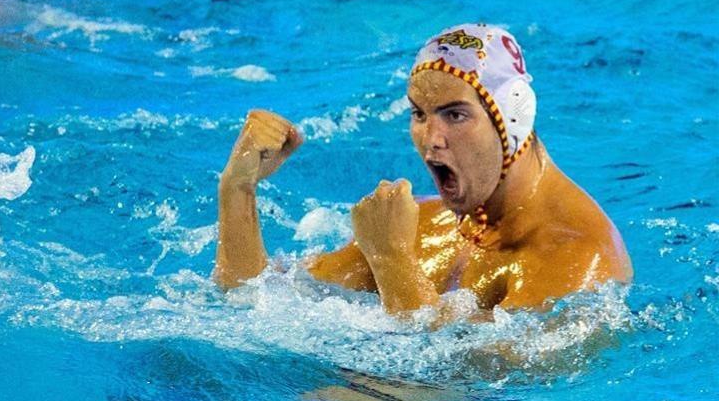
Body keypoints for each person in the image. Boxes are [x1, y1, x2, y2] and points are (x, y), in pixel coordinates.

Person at [214, 23, 633, 316]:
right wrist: (237, 188)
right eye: (419, 114)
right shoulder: (424, 222)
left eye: (454, 115)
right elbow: (251, 300)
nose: (431, 138)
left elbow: (460, 386)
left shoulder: (578, 256)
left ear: (513, 118)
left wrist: (392, 259)